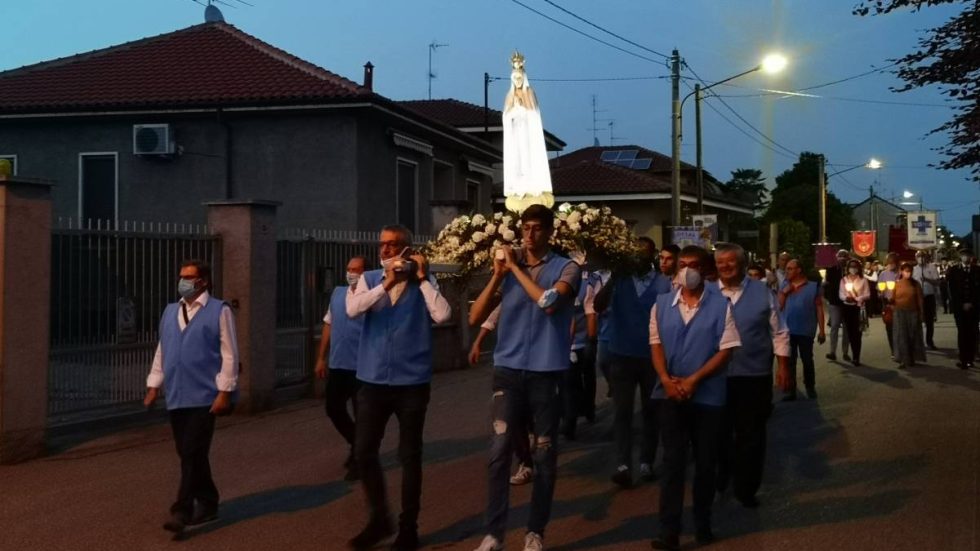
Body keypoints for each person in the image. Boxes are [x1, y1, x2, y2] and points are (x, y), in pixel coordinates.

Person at [469, 204, 580, 551]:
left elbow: (548, 303)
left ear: (549, 232)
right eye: (525, 228)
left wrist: (515, 269)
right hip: (508, 371)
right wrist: (498, 275)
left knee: (544, 454)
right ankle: (494, 533)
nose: (529, 235)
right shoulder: (508, 271)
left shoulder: (568, 268)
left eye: (536, 229)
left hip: (545, 373)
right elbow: (475, 316)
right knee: (499, 450)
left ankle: (535, 531)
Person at [345, 225, 452, 551]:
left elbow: (443, 315)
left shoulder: (424, 282)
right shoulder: (369, 279)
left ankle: (408, 528)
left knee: (410, 456)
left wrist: (420, 279)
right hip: (373, 381)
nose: (386, 250)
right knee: (364, 452)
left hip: (412, 383)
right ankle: (380, 518)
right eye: (383, 245)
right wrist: (386, 283)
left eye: (394, 245)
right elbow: (353, 310)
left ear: (407, 249)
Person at [649, 245, 740, 550]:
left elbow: (726, 350)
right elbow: (656, 344)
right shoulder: (661, 304)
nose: (686, 270)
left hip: (707, 397)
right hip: (670, 394)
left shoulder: (720, 306)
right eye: (682, 264)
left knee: (705, 463)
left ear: (705, 271)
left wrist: (694, 380)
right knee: (673, 462)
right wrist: (665, 379)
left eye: (693, 265)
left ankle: (703, 523)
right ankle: (669, 530)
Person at [144, 259, 239, 534]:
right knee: (190, 454)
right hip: (177, 394)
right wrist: (154, 385)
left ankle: (181, 511)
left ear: (203, 282)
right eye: (181, 276)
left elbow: (230, 353)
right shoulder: (171, 311)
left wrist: (225, 391)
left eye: (189, 277)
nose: (183, 281)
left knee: (190, 451)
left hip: (205, 396)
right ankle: (208, 501)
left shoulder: (219, 311)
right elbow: (164, 350)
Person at [713, 243, 790, 509]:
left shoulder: (762, 292)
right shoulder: (708, 292)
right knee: (718, 432)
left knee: (752, 434)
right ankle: (722, 476)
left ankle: (746, 488)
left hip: (753, 375)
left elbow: (779, 331)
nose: (725, 267)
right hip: (717, 376)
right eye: (720, 263)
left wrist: (783, 368)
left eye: (730, 262)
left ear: (743, 264)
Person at [593, 237, 671, 489]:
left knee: (651, 411)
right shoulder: (619, 280)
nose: (637, 258)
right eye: (633, 254)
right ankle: (623, 463)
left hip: (652, 357)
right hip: (622, 354)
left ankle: (647, 460)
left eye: (643, 254)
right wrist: (614, 278)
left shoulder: (664, 283)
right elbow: (597, 305)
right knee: (622, 412)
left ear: (652, 256)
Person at [468, 306, 535, 486]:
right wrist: (477, 343)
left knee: (532, 414)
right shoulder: (510, 298)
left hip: (537, 367)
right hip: (508, 369)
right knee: (510, 418)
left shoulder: (540, 296)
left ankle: (533, 436)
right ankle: (525, 463)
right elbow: (491, 319)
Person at [314, 256, 367, 481]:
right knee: (333, 408)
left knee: (361, 413)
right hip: (338, 363)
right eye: (349, 269)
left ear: (365, 273)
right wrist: (321, 357)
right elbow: (329, 323)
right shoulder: (337, 294)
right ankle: (357, 444)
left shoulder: (371, 297)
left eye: (356, 270)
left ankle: (360, 460)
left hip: (362, 365)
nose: (351, 273)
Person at [778, 259, 826, 399]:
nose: (787, 271)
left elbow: (819, 309)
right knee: (790, 361)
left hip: (806, 330)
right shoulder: (785, 285)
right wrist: (784, 293)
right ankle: (791, 390)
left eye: (790, 268)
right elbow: (778, 307)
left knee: (807, 360)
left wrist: (822, 331)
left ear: (799, 270)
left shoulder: (812, 287)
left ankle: (810, 386)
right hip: (788, 330)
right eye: (786, 269)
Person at [946, 249, 980, 369]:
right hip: (959, 308)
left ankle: (970, 359)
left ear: (971, 257)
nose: (966, 257)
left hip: (973, 308)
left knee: (972, 333)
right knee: (962, 333)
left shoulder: (977, 270)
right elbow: (952, 290)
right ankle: (963, 359)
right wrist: (961, 304)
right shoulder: (954, 270)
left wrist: (972, 303)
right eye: (963, 255)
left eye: (968, 255)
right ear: (960, 257)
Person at [893, 262, 926, 369]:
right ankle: (903, 359)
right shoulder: (897, 284)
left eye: (910, 271)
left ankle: (912, 357)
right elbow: (893, 298)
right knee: (902, 336)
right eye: (906, 271)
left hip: (913, 312)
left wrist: (921, 313)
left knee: (913, 336)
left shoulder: (916, 284)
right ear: (901, 272)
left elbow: (920, 299)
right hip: (900, 313)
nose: (908, 273)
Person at [840, 258, 871, 367]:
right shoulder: (844, 280)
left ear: (858, 268)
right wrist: (846, 298)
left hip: (858, 308)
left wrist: (858, 299)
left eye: (855, 266)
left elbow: (868, 294)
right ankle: (851, 353)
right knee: (849, 332)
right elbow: (841, 294)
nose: (853, 269)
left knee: (857, 334)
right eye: (851, 266)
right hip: (847, 308)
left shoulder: (863, 280)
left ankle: (856, 356)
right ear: (847, 268)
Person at [824, 250, 851, 362]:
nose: (842, 259)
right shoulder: (831, 270)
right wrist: (828, 298)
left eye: (844, 256)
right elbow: (827, 284)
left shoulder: (850, 270)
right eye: (840, 256)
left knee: (846, 328)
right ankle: (832, 351)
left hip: (848, 303)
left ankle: (845, 352)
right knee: (834, 325)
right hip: (835, 302)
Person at [913, 250, 940, 349]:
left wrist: (927, 279)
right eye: (919, 256)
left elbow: (937, 282)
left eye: (922, 256)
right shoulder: (914, 269)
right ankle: (918, 342)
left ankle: (929, 341)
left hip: (929, 297)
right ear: (916, 258)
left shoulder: (931, 267)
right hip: (917, 297)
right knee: (917, 320)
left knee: (929, 321)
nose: (921, 258)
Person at [878, 253, 900, 356]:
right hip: (887, 302)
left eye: (892, 262)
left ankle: (901, 348)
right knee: (889, 327)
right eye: (888, 263)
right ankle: (893, 349)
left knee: (900, 327)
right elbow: (879, 288)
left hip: (900, 302)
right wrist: (881, 293)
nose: (890, 265)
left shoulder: (901, 273)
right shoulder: (883, 274)